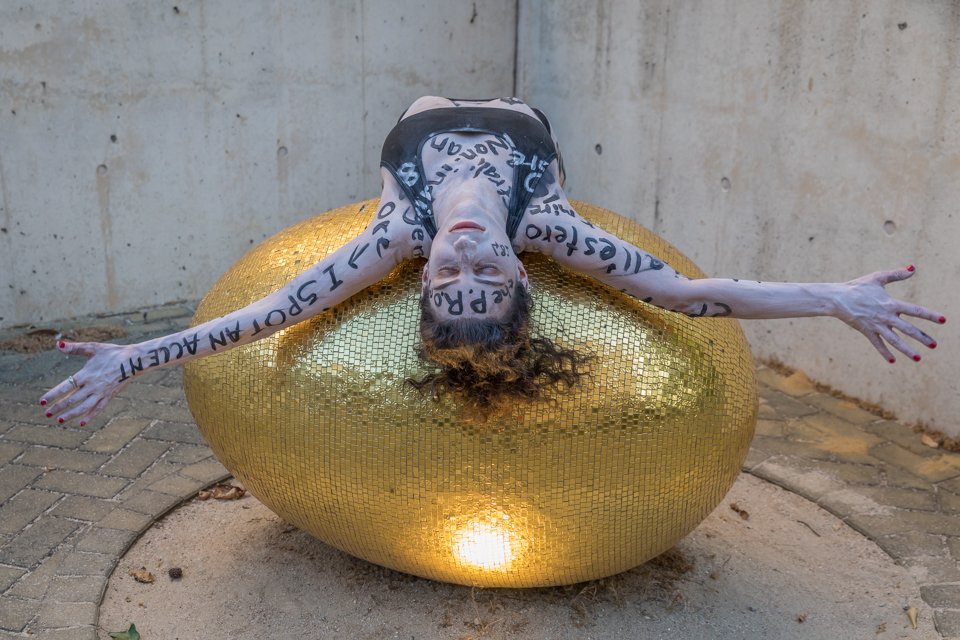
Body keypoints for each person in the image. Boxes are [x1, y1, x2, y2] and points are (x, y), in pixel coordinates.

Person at [39, 96, 945, 423]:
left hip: (421, 111)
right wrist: (834, 297)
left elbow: (272, 311)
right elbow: (690, 296)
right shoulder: (551, 230)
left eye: (449, 281)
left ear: (419, 279)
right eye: (488, 279)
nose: (466, 259)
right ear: (525, 276)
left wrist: (138, 355)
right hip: (523, 118)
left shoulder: (395, 237)